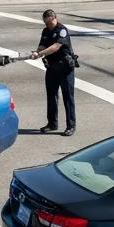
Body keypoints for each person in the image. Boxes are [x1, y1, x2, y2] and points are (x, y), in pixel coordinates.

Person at [28, 8, 76, 137]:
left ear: (55, 18)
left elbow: (56, 47)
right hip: (52, 68)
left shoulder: (62, 30)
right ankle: (52, 123)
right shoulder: (45, 31)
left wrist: (41, 53)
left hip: (65, 69)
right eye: (46, 23)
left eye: (50, 23)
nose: (48, 25)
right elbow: (42, 45)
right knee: (51, 96)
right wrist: (37, 52)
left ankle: (71, 126)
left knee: (68, 97)